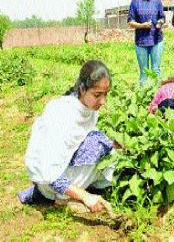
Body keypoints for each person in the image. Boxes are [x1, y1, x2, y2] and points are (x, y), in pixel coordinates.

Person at [19, 60, 118, 214]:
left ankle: (68, 193)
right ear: (82, 89)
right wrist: (86, 197)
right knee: (103, 150)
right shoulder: (63, 114)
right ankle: (61, 198)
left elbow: (84, 137)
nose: (103, 101)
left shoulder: (86, 108)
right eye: (97, 95)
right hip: (48, 181)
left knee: (106, 146)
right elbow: (49, 172)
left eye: (106, 94)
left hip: (60, 169)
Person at [128, 0, 165, 86]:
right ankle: (144, 98)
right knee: (144, 73)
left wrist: (159, 23)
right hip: (141, 42)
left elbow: (162, 17)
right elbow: (130, 22)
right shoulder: (135, 1)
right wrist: (142, 25)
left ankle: (157, 98)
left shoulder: (157, 0)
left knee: (156, 71)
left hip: (156, 40)